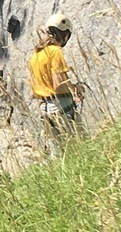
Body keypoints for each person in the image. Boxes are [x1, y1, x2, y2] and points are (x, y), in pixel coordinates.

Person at [28, 12, 84, 149]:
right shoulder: (55, 51)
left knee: (58, 152)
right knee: (80, 146)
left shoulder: (35, 56)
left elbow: (34, 89)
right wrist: (75, 90)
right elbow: (59, 84)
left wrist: (72, 88)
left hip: (45, 109)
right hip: (62, 106)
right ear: (65, 35)